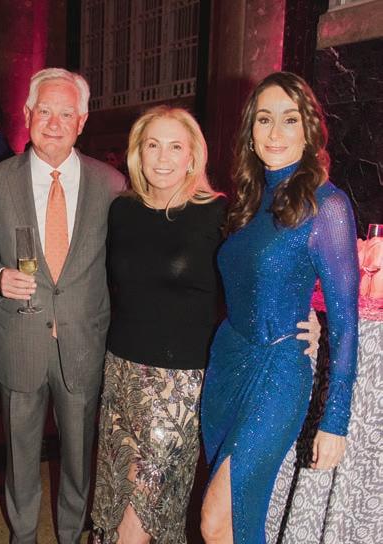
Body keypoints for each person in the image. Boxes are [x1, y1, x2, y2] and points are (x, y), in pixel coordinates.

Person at [90, 105, 320, 544]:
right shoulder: (121, 211)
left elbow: (267, 271)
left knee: (141, 514)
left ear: (193, 155)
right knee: (117, 500)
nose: (163, 157)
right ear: (137, 153)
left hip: (180, 385)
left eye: (175, 146)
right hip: (121, 374)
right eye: (152, 145)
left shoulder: (222, 215)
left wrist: (306, 316)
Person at [200, 72, 359, 544]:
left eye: (289, 120)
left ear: (308, 131)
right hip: (227, 364)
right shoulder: (249, 200)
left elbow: (346, 323)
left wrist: (335, 420)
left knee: (215, 519)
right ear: (250, 131)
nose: (274, 133)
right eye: (264, 119)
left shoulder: (327, 206)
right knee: (238, 523)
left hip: (278, 371)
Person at [0, 68, 124, 544]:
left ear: (82, 121)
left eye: (66, 113)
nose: (55, 123)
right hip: (19, 341)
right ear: (27, 115)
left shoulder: (111, 184)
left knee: (79, 461)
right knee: (19, 457)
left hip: (83, 343)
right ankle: (22, 536)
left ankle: (70, 535)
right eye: (45, 111)